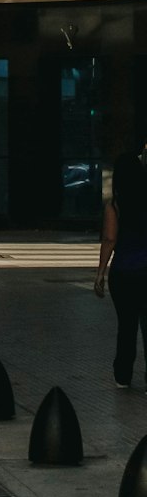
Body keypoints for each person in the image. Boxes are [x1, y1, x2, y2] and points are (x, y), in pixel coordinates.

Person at [94, 151, 147, 387]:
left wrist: (100, 274)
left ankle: (123, 375)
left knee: (126, 326)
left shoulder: (114, 206)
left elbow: (109, 239)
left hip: (124, 274)